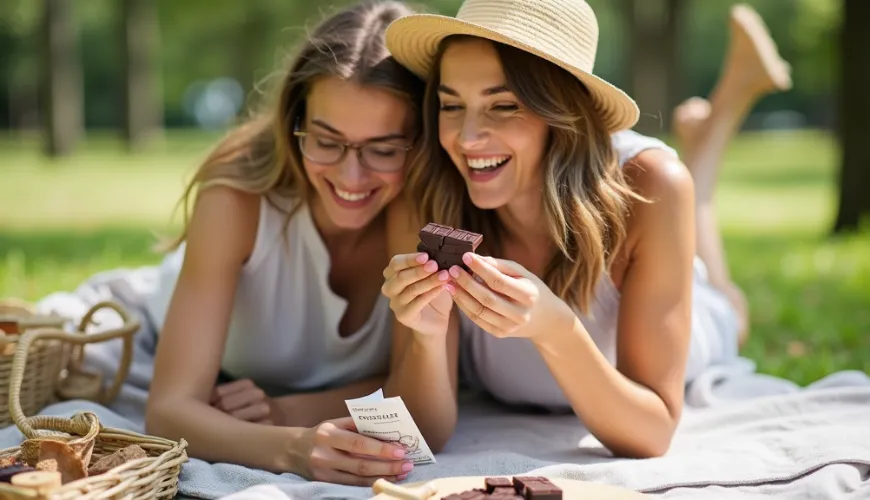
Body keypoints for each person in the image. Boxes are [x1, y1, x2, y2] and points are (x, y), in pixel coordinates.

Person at [379, 0, 791, 457]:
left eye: (503, 105)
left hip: (695, 318)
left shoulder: (652, 186)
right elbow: (421, 436)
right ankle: (704, 141)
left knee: (730, 310)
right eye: (451, 105)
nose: (468, 137)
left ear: (563, 111)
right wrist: (427, 335)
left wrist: (556, 329)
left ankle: (714, 131)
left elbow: (651, 434)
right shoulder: (428, 195)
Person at [140, 0, 423, 485]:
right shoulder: (236, 201)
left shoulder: (416, 213)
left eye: (383, 149)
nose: (351, 176)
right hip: (170, 301)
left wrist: (282, 408)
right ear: (295, 125)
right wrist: (292, 448)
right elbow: (168, 412)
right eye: (327, 141)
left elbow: (416, 397)